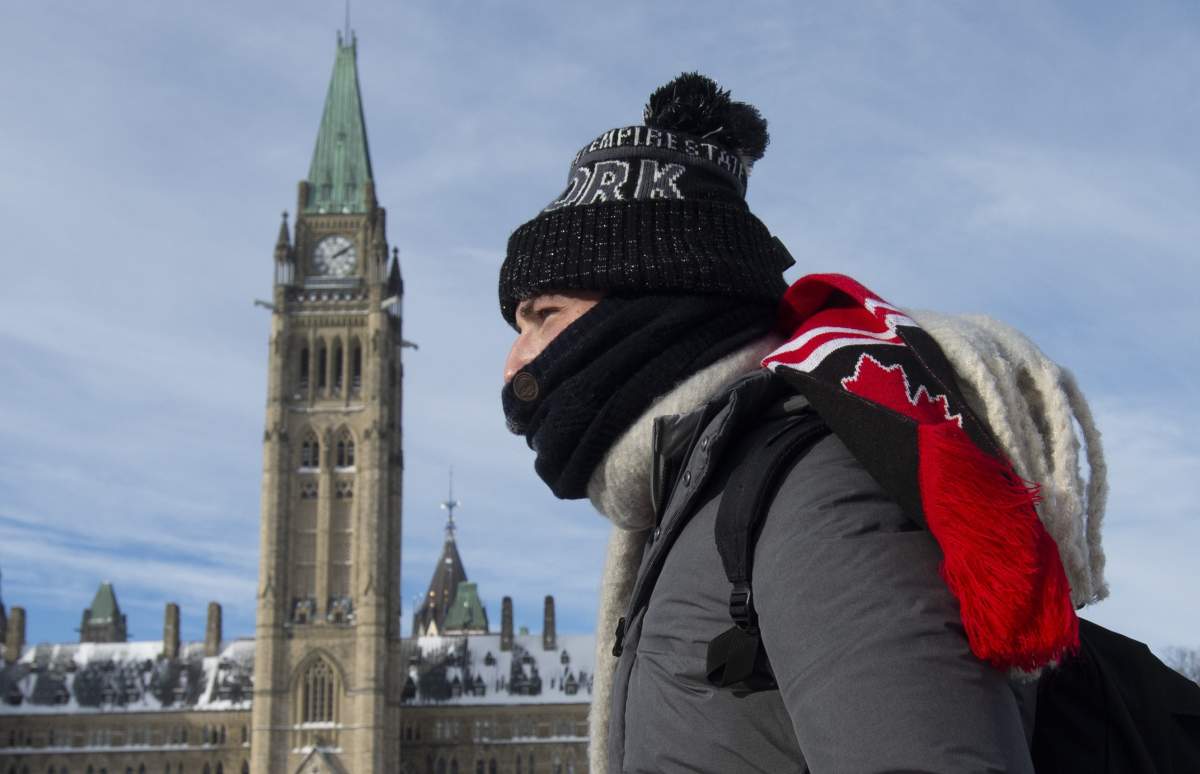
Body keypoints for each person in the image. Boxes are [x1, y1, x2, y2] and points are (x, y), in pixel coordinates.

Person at [498, 73, 1104, 774]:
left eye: (544, 316)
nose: (513, 365)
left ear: (648, 305)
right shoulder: (694, 504)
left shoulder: (813, 487)